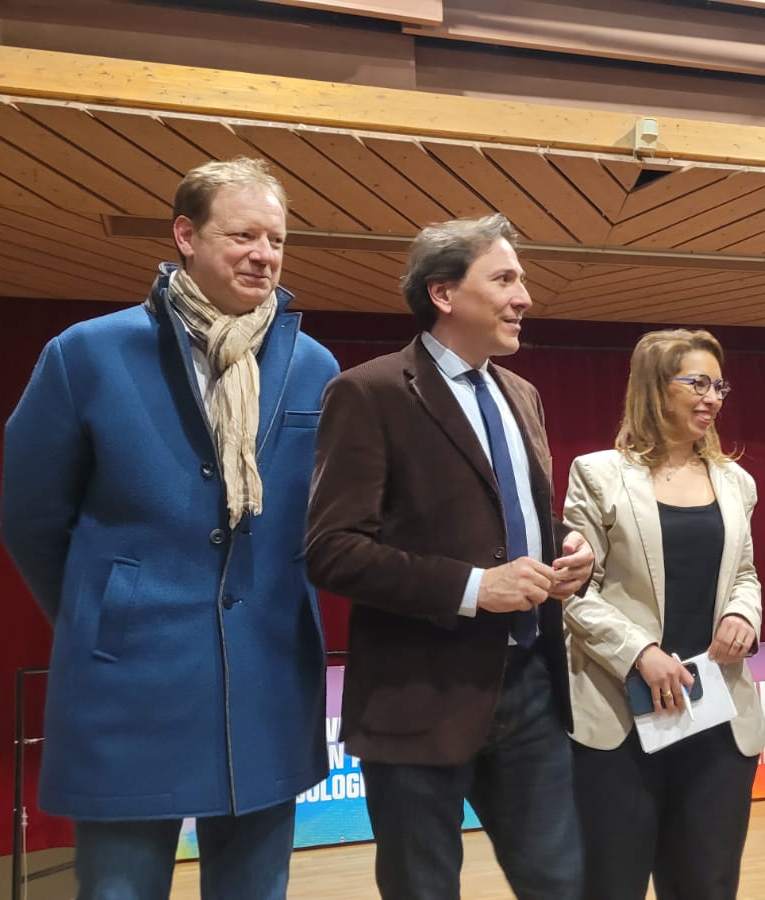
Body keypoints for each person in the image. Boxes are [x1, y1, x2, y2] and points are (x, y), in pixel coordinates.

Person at [0, 158, 338, 899]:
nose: (264, 254)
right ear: (185, 235)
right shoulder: (86, 353)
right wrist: (104, 612)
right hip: (129, 678)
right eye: (242, 234)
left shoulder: (313, 365)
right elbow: (30, 518)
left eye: (276, 239)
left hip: (267, 675)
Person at [305, 213, 595, 900]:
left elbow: (503, 518)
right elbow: (331, 551)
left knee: (563, 885)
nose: (524, 296)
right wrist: (473, 587)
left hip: (530, 687)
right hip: (417, 699)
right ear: (443, 294)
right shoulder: (368, 392)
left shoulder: (521, 394)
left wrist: (566, 549)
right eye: (505, 279)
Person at [562, 328, 765, 900]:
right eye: (696, 383)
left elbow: (745, 575)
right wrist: (639, 654)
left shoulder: (736, 481)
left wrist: (743, 617)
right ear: (655, 387)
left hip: (716, 721)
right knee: (611, 884)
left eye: (718, 385)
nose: (712, 397)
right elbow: (574, 590)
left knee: (707, 885)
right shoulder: (597, 473)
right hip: (620, 720)